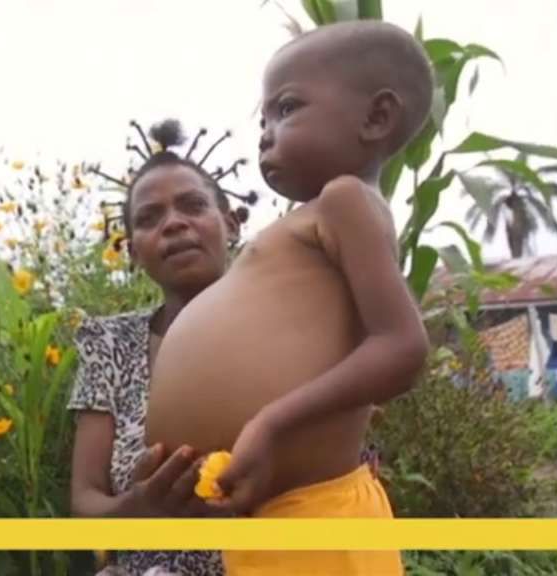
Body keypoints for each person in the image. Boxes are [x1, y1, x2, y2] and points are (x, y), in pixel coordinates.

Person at [146, 20, 432, 576]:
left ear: (375, 117)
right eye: (263, 118)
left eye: (287, 108)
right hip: (282, 524)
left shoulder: (344, 202)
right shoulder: (311, 223)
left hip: (317, 527)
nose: (265, 133)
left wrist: (270, 424)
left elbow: (403, 346)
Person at [68, 119, 251, 576]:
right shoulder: (111, 344)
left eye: (192, 206)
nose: (174, 224)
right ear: (132, 251)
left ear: (230, 224)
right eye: (150, 218)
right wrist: (136, 507)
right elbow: (84, 502)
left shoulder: (287, 329)